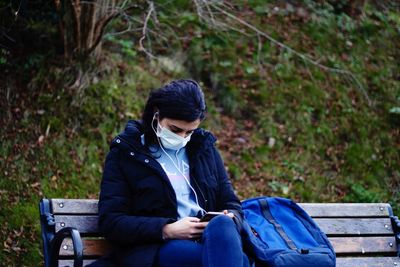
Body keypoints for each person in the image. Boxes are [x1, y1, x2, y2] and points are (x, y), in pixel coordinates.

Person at [93, 79, 250, 267]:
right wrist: (167, 229)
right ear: (156, 115)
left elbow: (232, 203)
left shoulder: (203, 149)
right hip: (155, 247)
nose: (182, 138)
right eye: (175, 129)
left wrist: (230, 216)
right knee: (230, 261)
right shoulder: (127, 153)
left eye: (189, 132)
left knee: (224, 226)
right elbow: (111, 221)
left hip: (207, 240)